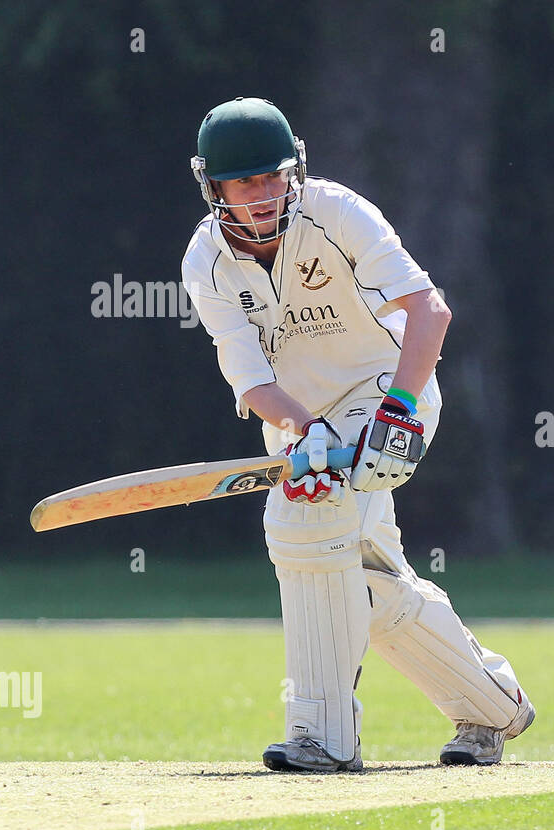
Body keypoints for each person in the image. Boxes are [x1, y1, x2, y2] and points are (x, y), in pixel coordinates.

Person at [181, 97, 534, 771]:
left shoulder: (337, 212)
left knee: (303, 522)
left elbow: (429, 311)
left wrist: (399, 411)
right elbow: (253, 384)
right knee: (364, 577)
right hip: (298, 419)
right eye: (245, 182)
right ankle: (494, 704)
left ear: (295, 171)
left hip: (387, 390)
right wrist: (306, 430)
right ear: (214, 187)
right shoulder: (207, 261)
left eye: (272, 176)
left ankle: (322, 737)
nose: (262, 194)